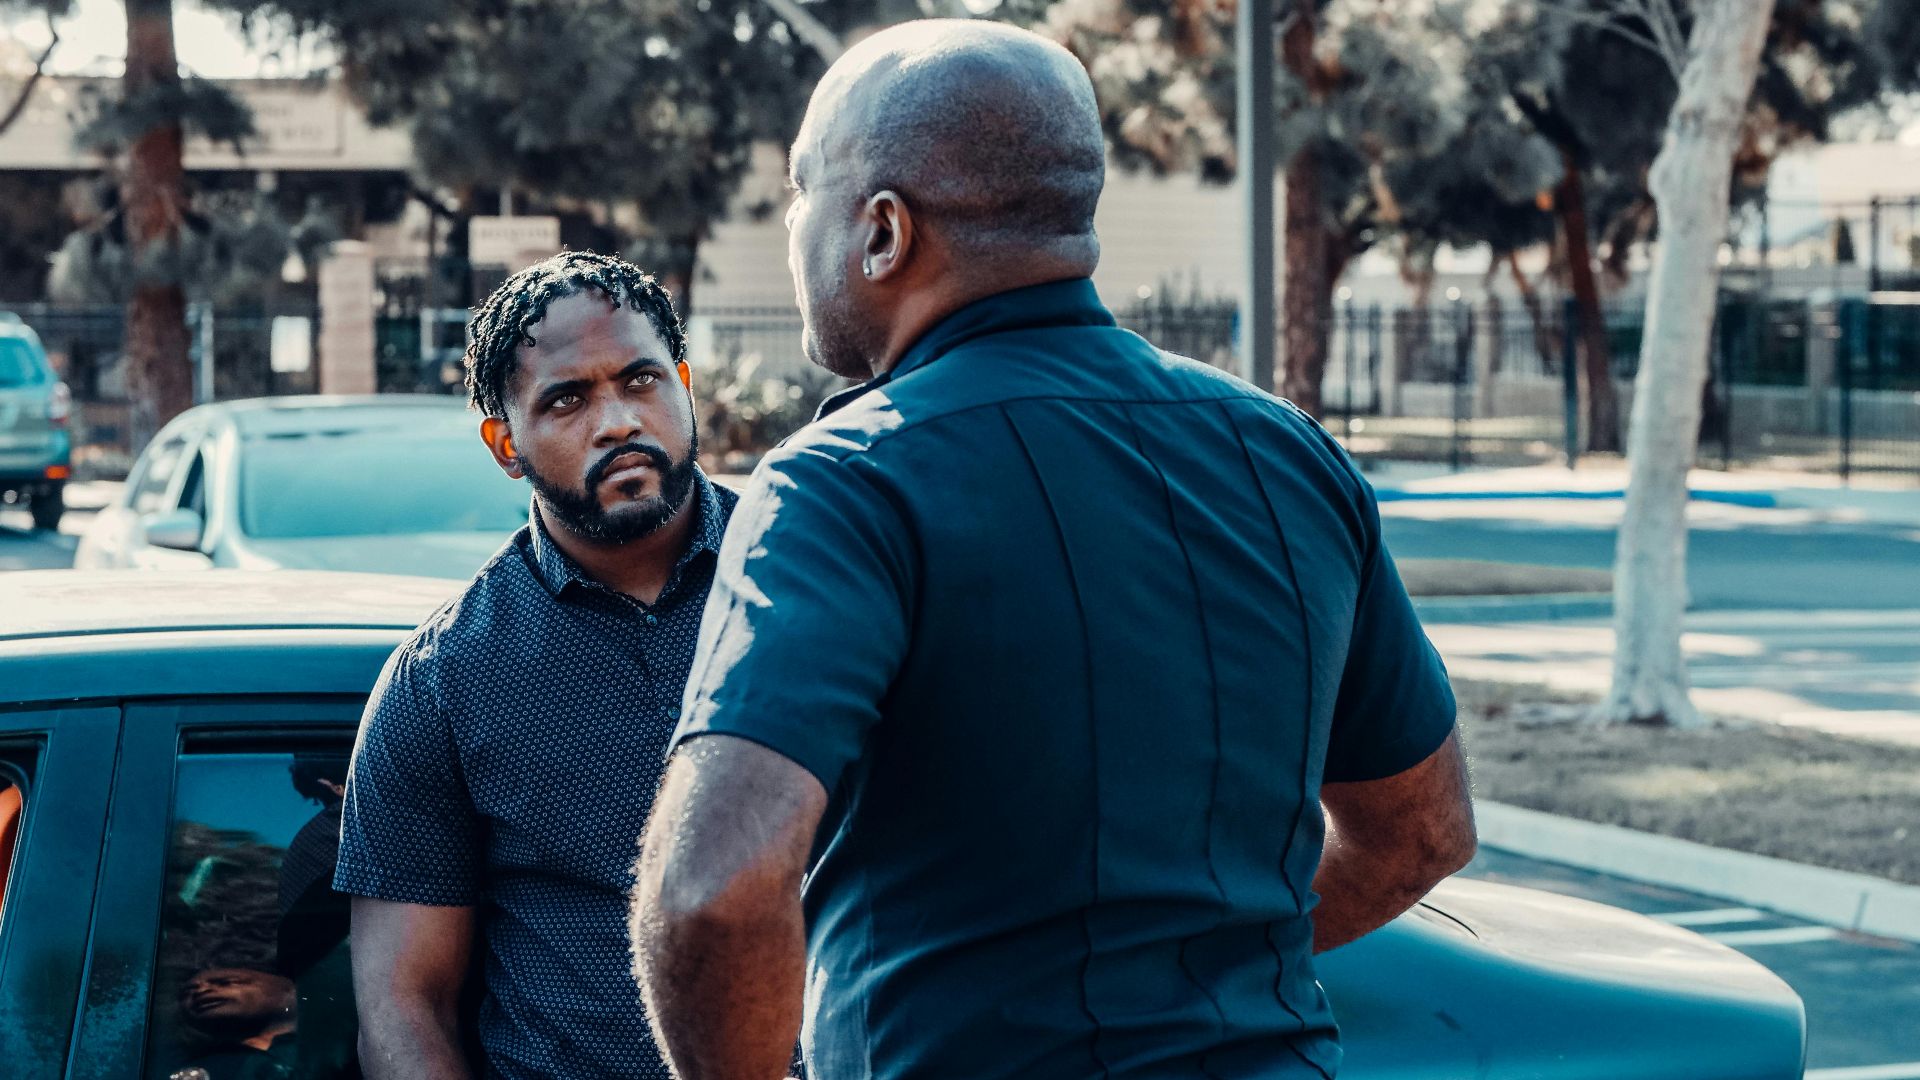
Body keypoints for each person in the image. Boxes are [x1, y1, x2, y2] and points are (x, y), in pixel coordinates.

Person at [629, 19, 1477, 1080]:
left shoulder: (844, 481)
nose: (795, 222)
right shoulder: (1288, 456)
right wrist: (1170, 977)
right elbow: (1422, 834)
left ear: (883, 233)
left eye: (807, 189)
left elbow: (714, 895)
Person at [335, 251, 735, 1079]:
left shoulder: (821, 580)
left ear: (684, 384)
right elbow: (404, 1011)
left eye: (642, 380)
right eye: (567, 399)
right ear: (504, 443)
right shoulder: (444, 682)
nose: (619, 420)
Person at [169, 967, 300, 1080]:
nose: (201, 991)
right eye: (187, 993)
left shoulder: (313, 1047)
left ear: (287, 989)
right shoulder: (194, 1067)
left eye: (226, 982)